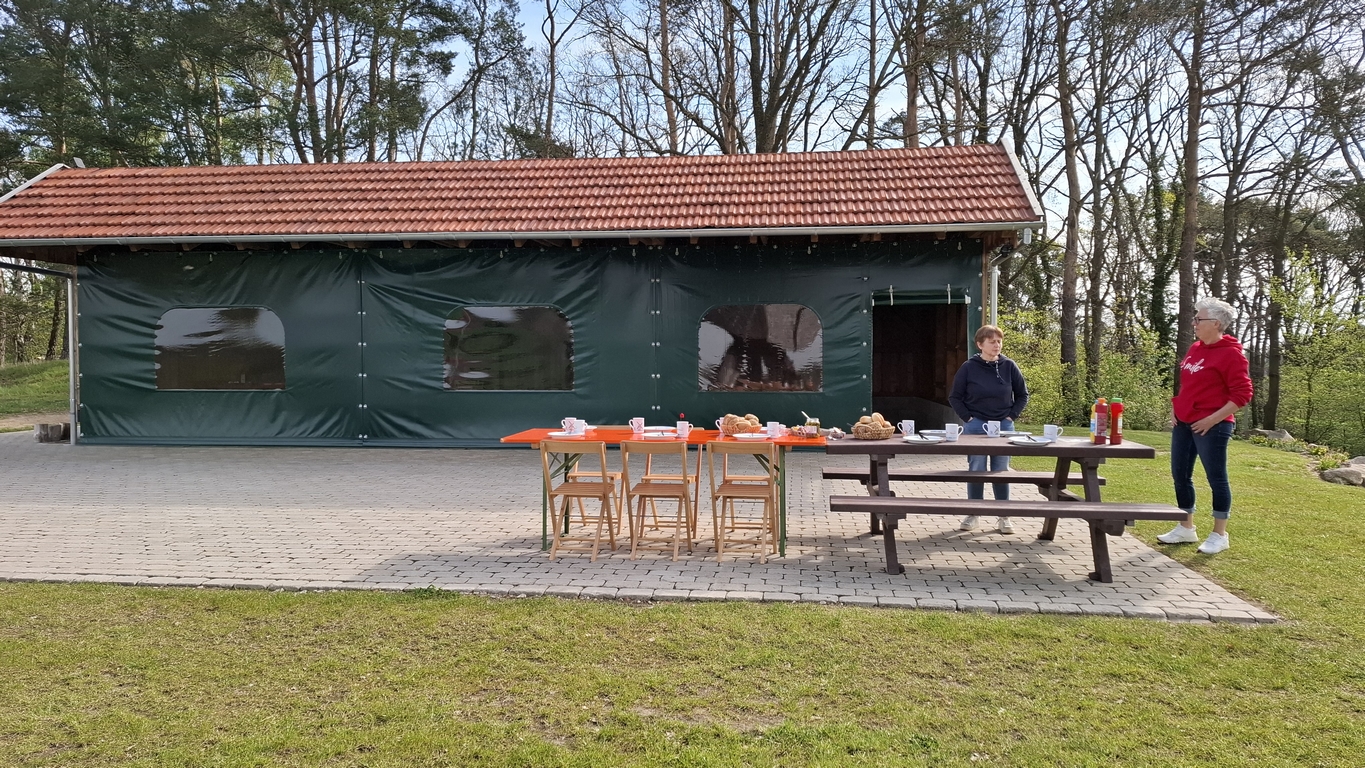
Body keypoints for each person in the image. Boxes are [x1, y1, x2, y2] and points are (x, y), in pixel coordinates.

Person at [1157, 298, 1253, 554]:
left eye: (1199, 319)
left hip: (1213, 426)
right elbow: (1188, 384)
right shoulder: (1195, 348)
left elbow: (1243, 394)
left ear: (1216, 323)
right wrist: (1176, 407)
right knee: (1180, 475)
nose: (1194, 323)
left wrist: (1212, 419)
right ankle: (1185, 528)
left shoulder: (1232, 354)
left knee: (1216, 478)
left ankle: (1219, 535)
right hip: (1184, 423)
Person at [948, 324, 1029, 534]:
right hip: (976, 425)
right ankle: (973, 514)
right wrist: (968, 418)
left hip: (1004, 425)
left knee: (1000, 471)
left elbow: (1022, 395)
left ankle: (1004, 516)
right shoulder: (968, 367)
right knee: (976, 469)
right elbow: (954, 397)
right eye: (992, 341)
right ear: (980, 344)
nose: (997, 345)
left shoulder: (1009, 366)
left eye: (999, 341)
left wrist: (1011, 416)